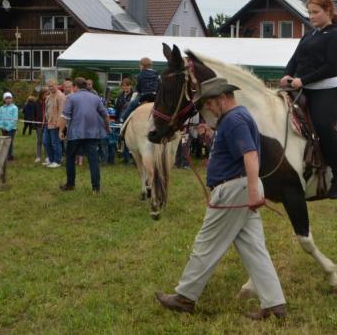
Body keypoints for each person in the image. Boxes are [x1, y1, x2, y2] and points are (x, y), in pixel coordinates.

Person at [156, 76, 286, 320]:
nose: (209, 108)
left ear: (223, 98)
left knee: (206, 244)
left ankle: (185, 297)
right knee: (255, 249)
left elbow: (249, 154)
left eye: (211, 102)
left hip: (233, 189)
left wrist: (253, 191)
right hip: (241, 187)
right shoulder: (238, 117)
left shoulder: (234, 120)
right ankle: (275, 305)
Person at [280, 0, 337, 199]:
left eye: (315, 12)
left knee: (322, 125)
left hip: (327, 89)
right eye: (309, 13)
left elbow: (331, 67)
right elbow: (295, 59)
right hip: (302, 87)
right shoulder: (309, 35)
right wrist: (287, 75)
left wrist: (304, 80)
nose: (311, 17)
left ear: (328, 11)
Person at [58, 77, 110, 194]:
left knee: (70, 158)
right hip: (92, 134)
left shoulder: (71, 97)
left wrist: (61, 131)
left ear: (75, 86)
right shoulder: (96, 98)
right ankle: (96, 188)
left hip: (75, 134)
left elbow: (65, 116)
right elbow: (104, 114)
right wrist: (107, 127)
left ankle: (70, 184)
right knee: (93, 161)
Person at [121, 57, 159, 123]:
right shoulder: (156, 74)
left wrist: (140, 91)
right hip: (155, 96)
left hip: (144, 96)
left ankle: (123, 118)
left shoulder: (140, 75)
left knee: (132, 104)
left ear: (142, 66)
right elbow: (159, 84)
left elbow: (138, 88)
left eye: (140, 66)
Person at [43, 80, 66, 168]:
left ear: (56, 85)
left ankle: (57, 161)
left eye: (52, 86)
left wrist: (59, 122)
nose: (50, 88)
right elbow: (47, 110)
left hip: (56, 123)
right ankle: (51, 159)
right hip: (48, 122)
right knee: (45, 142)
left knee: (55, 142)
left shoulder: (61, 96)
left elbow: (62, 110)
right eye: (49, 86)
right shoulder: (48, 96)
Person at [115, 78, 134, 164]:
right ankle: (125, 158)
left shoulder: (134, 96)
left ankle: (133, 159)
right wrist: (116, 119)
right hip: (121, 119)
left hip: (131, 119)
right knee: (123, 138)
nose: (125, 87)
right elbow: (117, 108)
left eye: (127, 85)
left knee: (131, 138)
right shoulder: (120, 96)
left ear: (130, 86)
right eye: (124, 86)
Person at [0, 92, 19, 161]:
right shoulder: (1, 108)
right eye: (6, 98)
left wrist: (8, 128)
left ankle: (10, 155)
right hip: (3, 128)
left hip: (11, 128)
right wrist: (1, 126)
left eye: (9, 98)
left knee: (9, 142)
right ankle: (4, 154)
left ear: (12, 99)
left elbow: (14, 119)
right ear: (4, 99)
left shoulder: (14, 108)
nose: (8, 100)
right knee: (4, 141)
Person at [33, 90, 47, 163]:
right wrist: (35, 124)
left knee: (46, 141)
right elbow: (34, 114)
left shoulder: (48, 102)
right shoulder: (36, 103)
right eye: (44, 94)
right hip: (38, 125)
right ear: (41, 95)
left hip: (47, 124)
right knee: (39, 140)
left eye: (47, 94)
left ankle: (47, 156)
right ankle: (38, 156)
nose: (46, 96)